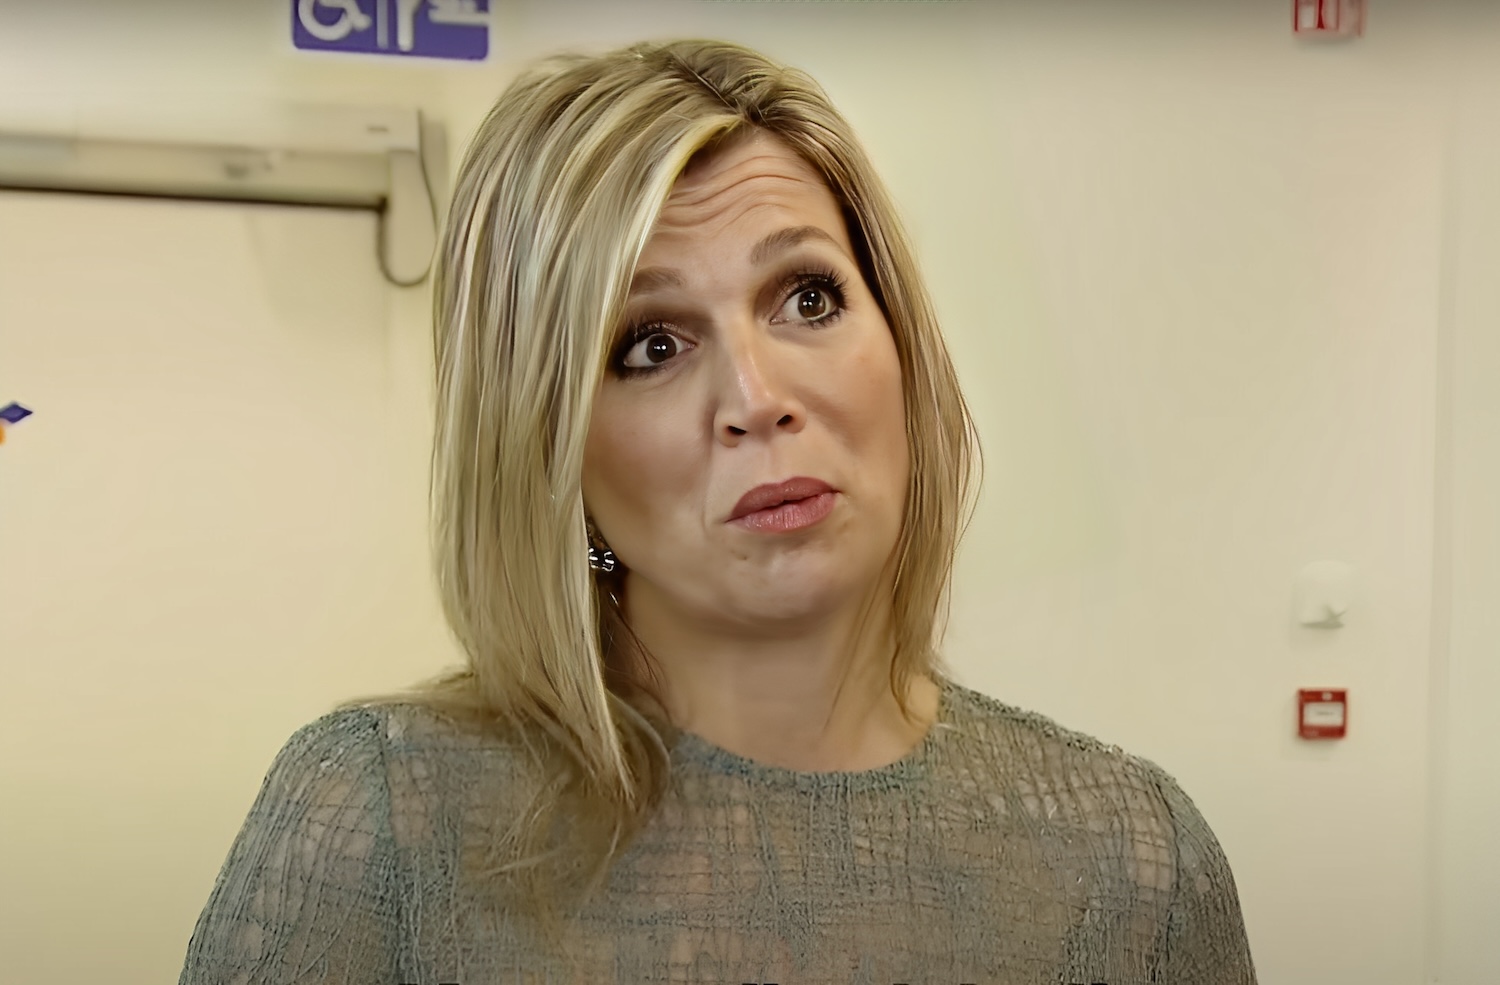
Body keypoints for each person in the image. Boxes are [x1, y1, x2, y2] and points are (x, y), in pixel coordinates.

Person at [178, 38, 1258, 985]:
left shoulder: (1132, 862)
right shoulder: (384, 823)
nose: (758, 397)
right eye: (651, 344)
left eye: (808, 297)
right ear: (544, 448)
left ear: (901, 345)